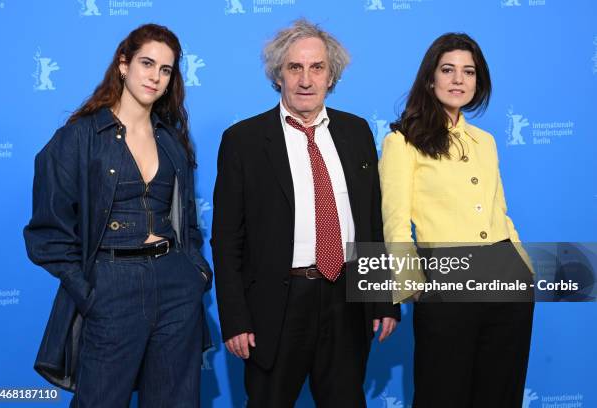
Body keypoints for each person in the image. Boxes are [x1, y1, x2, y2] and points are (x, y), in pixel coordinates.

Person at [211, 19, 400, 408]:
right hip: (277, 305)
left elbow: (370, 222)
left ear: (332, 76)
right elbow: (227, 239)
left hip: (348, 297)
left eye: (317, 68)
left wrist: (383, 298)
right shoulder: (243, 141)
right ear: (278, 75)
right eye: (294, 67)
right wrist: (235, 318)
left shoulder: (357, 132)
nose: (305, 79)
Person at [23, 24, 212, 407]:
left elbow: (187, 221)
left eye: (165, 69)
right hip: (111, 285)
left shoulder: (171, 139)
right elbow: (47, 233)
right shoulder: (79, 138)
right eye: (147, 63)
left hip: (176, 285)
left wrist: (196, 272)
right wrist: (88, 292)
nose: (155, 77)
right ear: (124, 65)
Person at [379, 33, 534, 407]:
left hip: (505, 275)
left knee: (501, 393)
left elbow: (500, 211)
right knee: (441, 393)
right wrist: (411, 285)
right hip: (446, 278)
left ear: (478, 81)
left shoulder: (485, 141)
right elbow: (395, 221)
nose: (458, 80)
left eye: (468, 71)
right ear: (430, 79)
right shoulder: (402, 141)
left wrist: (523, 266)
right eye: (448, 70)